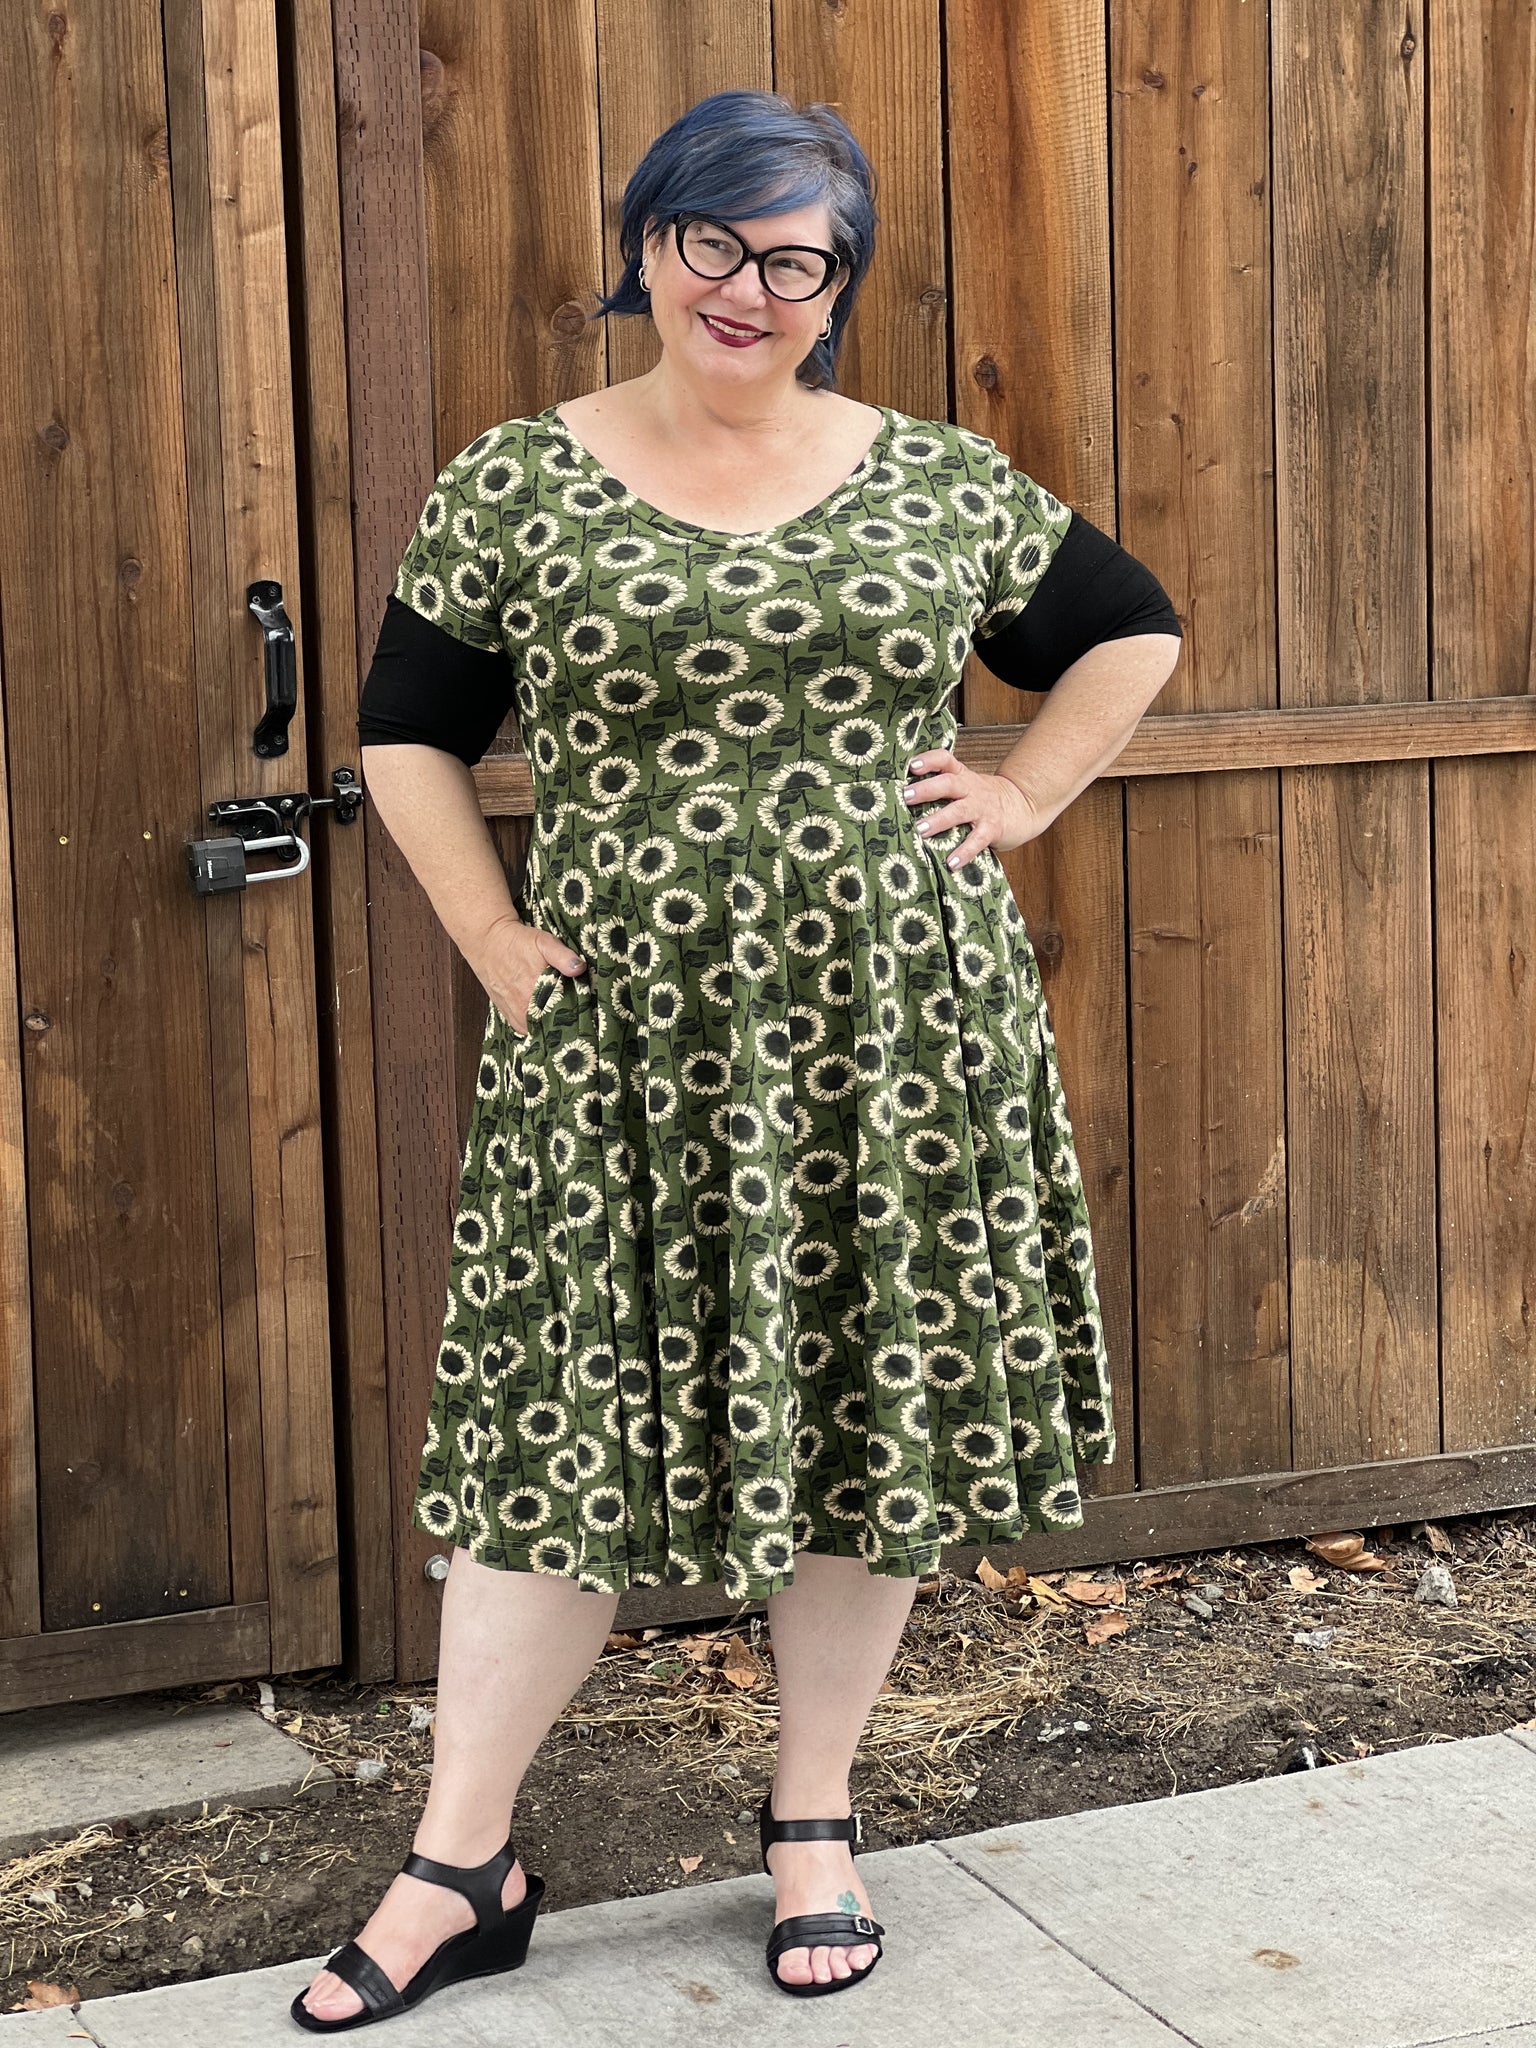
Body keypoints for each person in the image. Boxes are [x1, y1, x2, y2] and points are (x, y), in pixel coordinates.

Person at [293, 87, 1182, 2031]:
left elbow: (1127, 629)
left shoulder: (939, 477)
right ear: (648, 245)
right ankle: (461, 1857)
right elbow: (408, 729)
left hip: (892, 1035)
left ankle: (813, 1817)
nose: (747, 286)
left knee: (865, 1415)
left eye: (796, 257)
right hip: (616, 1049)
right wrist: (490, 942)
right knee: (559, 1438)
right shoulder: (516, 479)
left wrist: (1025, 789)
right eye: (713, 240)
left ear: (835, 285)